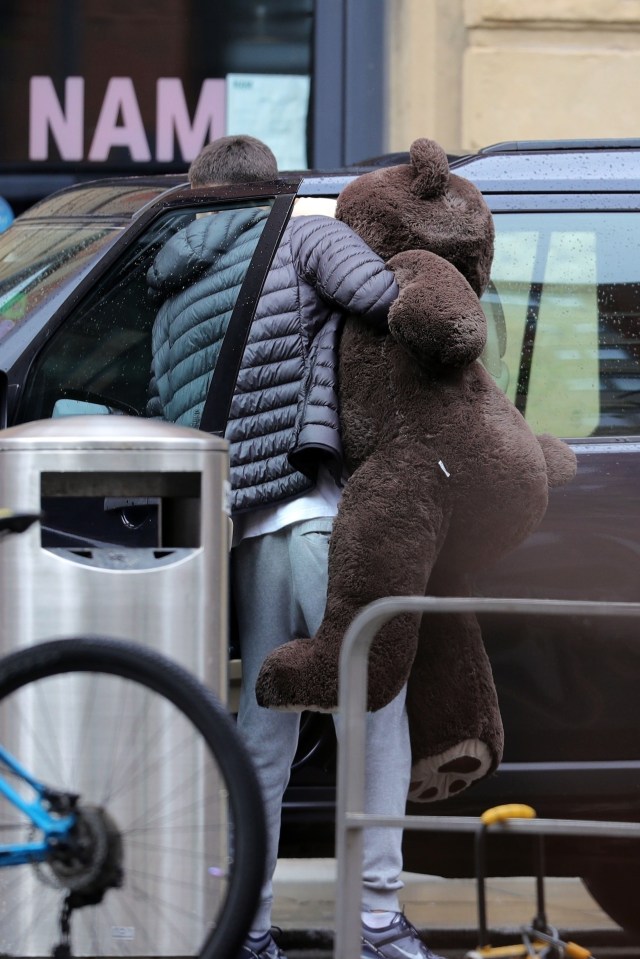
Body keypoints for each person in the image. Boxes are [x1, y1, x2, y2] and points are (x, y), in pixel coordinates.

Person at [147, 135, 444, 959]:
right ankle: (379, 918)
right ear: (270, 186)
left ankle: (246, 923)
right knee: (375, 707)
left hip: (244, 529)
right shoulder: (301, 229)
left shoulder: (170, 275)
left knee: (264, 730)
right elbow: (384, 298)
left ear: (201, 191)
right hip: (317, 514)